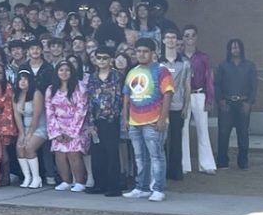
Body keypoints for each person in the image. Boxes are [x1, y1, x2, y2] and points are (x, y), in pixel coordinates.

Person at [123, 38, 174, 201]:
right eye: (138, 51)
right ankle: (142, 187)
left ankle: (158, 188)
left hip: (153, 121)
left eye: (145, 51)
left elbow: (167, 94)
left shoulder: (161, 70)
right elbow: (126, 96)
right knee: (139, 156)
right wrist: (126, 118)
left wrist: (162, 119)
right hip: (135, 121)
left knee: (156, 155)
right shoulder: (132, 71)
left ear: (153, 53)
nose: (141, 54)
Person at [85, 50, 125, 196]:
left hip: (112, 120)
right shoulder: (92, 78)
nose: (101, 60)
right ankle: (99, 184)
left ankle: (113, 186)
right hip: (96, 120)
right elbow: (88, 100)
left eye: (104, 57)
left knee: (111, 153)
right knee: (97, 153)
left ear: (111, 59)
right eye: (98, 58)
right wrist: (90, 122)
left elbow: (121, 98)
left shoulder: (117, 76)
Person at [45, 61, 90, 191]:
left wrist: (71, 132)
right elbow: (49, 111)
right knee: (59, 154)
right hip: (58, 126)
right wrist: (56, 132)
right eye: (61, 70)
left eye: (67, 70)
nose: (64, 73)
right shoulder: (50, 89)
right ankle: (66, 181)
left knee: (73, 154)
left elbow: (81, 110)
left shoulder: (79, 87)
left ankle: (80, 182)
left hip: (76, 126)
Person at [215, 37, 257, 170]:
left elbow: (254, 86)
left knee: (243, 134)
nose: (235, 49)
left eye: (237, 47)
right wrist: (220, 101)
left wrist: (249, 103)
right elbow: (217, 85)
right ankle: (222, 161)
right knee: (223, 133)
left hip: (243, 104)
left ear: (241, 49)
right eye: (233, 47)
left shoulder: (250, 66)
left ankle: (243, 161)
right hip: (226, 103)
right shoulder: (223, 65)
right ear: (229, 50)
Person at [180, 26, 217, 174]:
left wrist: (209, 99)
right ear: (183, 38)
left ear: (196, 37)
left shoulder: (203, 57)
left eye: (192, 35)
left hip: (199, 94)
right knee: (183, 130)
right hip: (183, 96)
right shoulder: (179, 57)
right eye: (186, 35)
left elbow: (209, 79)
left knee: (203, 129)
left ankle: (206, 164)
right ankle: (184, 165)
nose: (189, 38)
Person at [160, 29, 192, 181]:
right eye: (168, 37)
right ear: (163, 40)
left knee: (177, 139)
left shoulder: (185, 63)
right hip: (160, 107)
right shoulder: (158, 63)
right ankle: (162, 170)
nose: (171, 40)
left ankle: (176, 171)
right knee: (161, 139)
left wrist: (186, 106)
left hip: (178, 105)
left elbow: (187, 86)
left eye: (174, 38)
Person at [12, 69, 46, 189]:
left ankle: (37, 177)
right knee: (19, 147)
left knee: (29, 147)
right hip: (25, 127)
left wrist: (30, 134)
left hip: (39, 127)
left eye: (25, 79)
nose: (23, 82)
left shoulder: (36, 93)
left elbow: (36, 115)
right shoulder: (16, 95)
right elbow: (17, 115)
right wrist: (22, 134)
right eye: (20, 79)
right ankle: (27, 176)